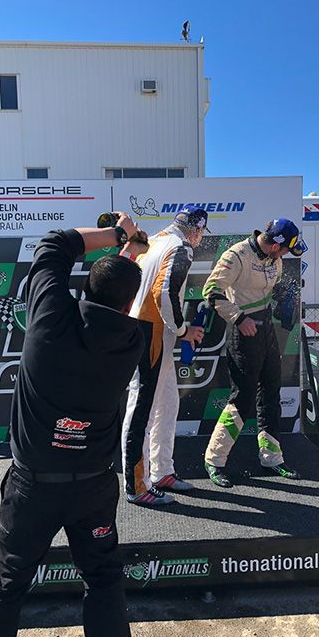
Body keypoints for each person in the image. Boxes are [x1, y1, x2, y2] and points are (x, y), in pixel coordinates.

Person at [0, 215, 148, 637]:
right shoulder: (131, 341)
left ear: (85, 287)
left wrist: (116, 235)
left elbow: (54, 247)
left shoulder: (49, 319)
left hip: (33, 489)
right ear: (130, 304)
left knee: (7, 586)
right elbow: (112, 301)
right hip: (92, 489)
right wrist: (128, 258)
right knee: (104, 581)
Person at [201, 218, 307, 486]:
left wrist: (285, 298)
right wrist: (238, 318)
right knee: (242, 398)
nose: (286, 256)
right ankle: (214, 460)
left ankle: (271, 457)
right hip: (243, 332)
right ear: (275, 245)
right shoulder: (236, 255)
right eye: (285, 250)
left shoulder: (276, 259)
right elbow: (211, 292)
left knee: (271, 392)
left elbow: (275, 286)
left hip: (266, 330)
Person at [121, 205, 207, 506]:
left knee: (167, 402)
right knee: (141, 408)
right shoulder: (180, 247)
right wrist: (184, 331)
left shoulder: (157, 239)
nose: (200, 239)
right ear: (196, 229)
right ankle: (135, 485)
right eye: (201, 233)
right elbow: (163, 294)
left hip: (149, 329)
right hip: (152, 331)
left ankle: (161, 471)